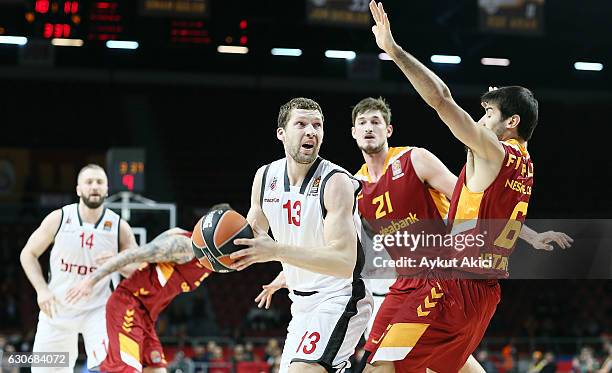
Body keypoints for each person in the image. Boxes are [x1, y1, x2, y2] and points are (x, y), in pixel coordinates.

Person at [361, 1, 573, 372]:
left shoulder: (494, 152)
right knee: (450, 366)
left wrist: (394, 52)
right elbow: (494, 215)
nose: (480, 119)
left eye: (489, 114)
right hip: (483, 293)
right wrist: (533, 237)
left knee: (382, 364)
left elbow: (441, 99)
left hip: (453, 286)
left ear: (512, 123)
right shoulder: (525, 164)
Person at [229, 97, 374, 373]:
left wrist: (277, 251)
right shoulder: (265, 176)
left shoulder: (336, 182)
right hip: (301, 304)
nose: (311, 131)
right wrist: (216, 249)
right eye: (301, 124)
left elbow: (344, 262)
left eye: (317, 125)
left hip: (341, 296)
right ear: (281, 133)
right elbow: (253, 233)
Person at [20, 164, 138, 372]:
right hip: (57, 308)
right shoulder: (59, 218)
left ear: (107, 189)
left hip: (98, 311)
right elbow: (27, 254)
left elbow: (138, 271)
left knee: (110, 369)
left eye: (99, 182)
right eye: (89, 182)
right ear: (78, 189)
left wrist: (118, 261)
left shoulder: (119, 226)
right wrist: (41, 290)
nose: (94, 186)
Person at [65, 227, 212, 372]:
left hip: (146, 317)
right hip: (128, 305)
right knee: (127, 369)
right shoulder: (184, 246)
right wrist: (91, 280)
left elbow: (140, 269)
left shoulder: (214, 261)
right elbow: (136, 255)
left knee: (157, 370)